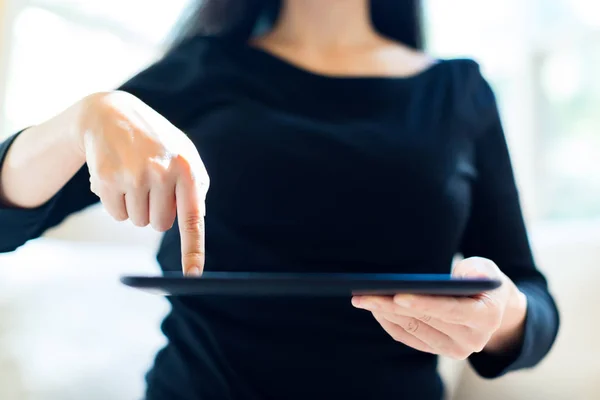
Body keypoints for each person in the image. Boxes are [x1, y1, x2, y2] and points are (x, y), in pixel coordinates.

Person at [0, 1, 560, 399]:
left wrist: (501, 317)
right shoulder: (205, 69)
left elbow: (532, 302)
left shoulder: (460, 92)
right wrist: (82, 121)